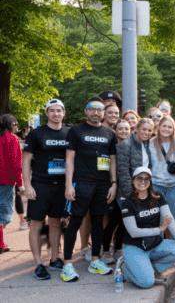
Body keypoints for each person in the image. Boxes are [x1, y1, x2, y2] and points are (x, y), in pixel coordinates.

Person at [61, 97, 118, 281]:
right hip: (81, 183)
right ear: (86, 111)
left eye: (99, 110)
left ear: (103, 112)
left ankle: (95, 261)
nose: (96, 113)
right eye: (92, 109)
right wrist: (69, 184)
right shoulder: (75, 131)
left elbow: (113, 160)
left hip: (102, 184)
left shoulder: (109, 133)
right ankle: (67, 264)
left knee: (98, 221)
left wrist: (114, 183)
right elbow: (69, 159)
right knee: (75, 221)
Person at [116, 167, 175, 289]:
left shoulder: (157, 196)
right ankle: (126, 269)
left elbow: (169, 219)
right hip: (135, 247)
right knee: (147, 283)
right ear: (133, 180)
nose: (143, 182)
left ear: (150, 182)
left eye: (146, 179)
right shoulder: (127, 202)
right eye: (139, 178)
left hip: (153, 244)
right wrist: (159, 229)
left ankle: (154, 269)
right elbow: (133, 232)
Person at [21, 99, 68, 278]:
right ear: (47, 113)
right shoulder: (36, 134)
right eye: (52, 111)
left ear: (63, 113)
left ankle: (55, 258)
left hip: (61, 186)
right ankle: (38, 263)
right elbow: (26, 160)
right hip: (40, 185)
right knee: (36, 224)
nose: (56, 114)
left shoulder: (68, 133)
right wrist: (27, 185)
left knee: (56, 222)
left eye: (59, 110)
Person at [117, 118, 155, 200]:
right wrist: (131, 194)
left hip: (143, 189)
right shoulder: (126, 144)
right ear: (136, 129)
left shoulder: (147, 143)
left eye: (149, 130)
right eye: (144, 129)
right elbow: (123, 172)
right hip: (129, 193)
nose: (146, 132)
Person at [0, 115, 21, 255]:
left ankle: (1, 243)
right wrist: (20, 183)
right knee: (4, 215)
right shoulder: (12, 138)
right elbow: (15, 163)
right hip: (5, 181)